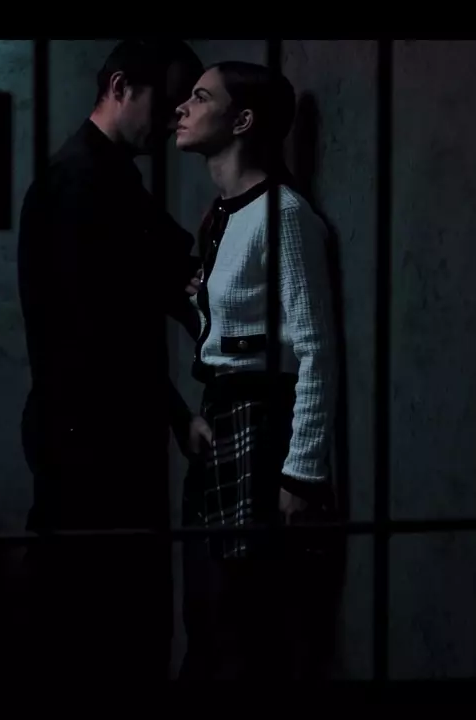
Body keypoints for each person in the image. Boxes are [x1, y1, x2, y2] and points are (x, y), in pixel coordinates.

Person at [15, 39, 204, 680]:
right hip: (89, 440)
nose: (176, 119)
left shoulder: (108, 176)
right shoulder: (80, 182)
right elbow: (96, 334)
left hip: (98, 431)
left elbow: (164, 270)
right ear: (121, 87)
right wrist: (176, 413)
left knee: (105, 621)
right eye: (168, 103)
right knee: (95, 626)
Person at [173, 61, 341, 680]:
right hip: (222, 415)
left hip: (262, 422)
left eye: (200, 97)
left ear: (242, 120)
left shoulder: (283, 214)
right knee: (207, 608)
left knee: (241, 615)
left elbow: (315, 349)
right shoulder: (223, 213)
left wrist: (302, 472)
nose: (182, 109)